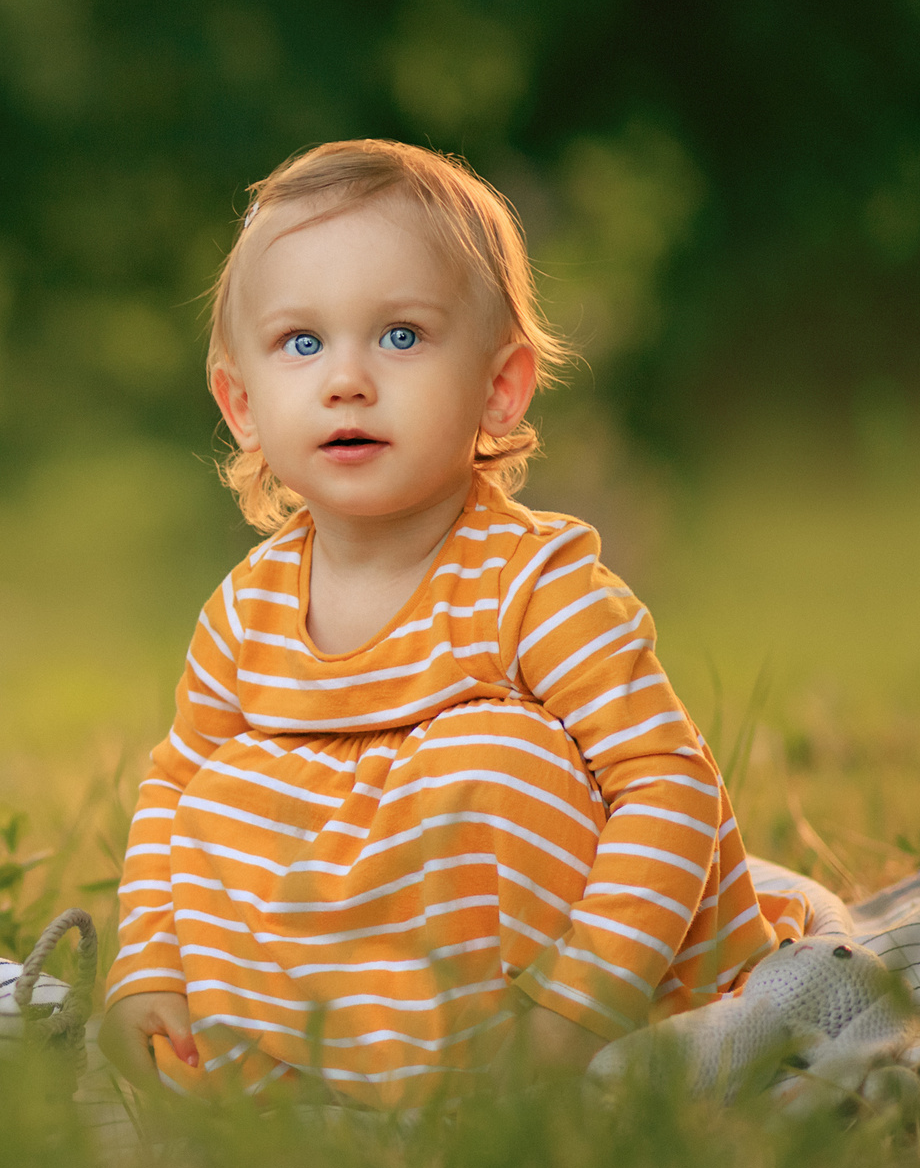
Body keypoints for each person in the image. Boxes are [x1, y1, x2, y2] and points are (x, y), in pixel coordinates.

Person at [100, 140, 803, 1106]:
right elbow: (173, 798)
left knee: (488, 754)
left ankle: (512, 1038)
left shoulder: (534, 583)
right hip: (385, 990)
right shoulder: (245, 612)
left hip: (597, 994)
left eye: (400, 336)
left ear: (498, 387)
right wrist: (149, 968)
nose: (346, 379)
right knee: (221, 791)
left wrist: (574, 1013)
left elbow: (672, 791)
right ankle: (316, 1050)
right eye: (302, 343)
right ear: (243, 405)